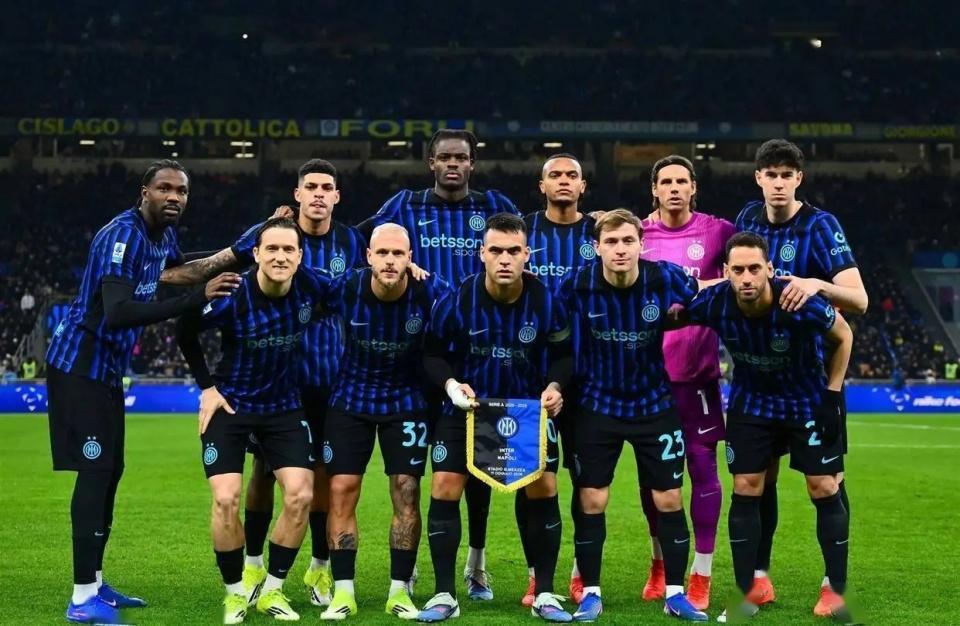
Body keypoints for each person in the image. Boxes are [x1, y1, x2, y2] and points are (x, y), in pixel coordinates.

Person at [162, 159, 366, 607]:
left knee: (318, 479)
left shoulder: (352, 242)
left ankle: (318, 567)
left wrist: (412, 275)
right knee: (261, 473)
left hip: (327, 379)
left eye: (326, 187)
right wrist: (166, 274)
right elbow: (210, 272)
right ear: (297, 194)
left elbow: (362, 290)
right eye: (310, 186)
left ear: (336, 196)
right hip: (270, 382)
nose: (318, 194)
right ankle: (252, 563)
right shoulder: (262, 241)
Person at [46, 159, 239, 624]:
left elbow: (186, 271)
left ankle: (95, 582)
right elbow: (118, 312)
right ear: (144, 192)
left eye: (182, 191)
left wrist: (244, 249)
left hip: (106, 370)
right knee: (95, 472)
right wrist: (195, 299)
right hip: (79, 366)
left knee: (111, 471)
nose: (174, 197)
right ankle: (81, 598)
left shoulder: (162, 236)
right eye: (165, 188)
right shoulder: (123, 236)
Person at [359, 129, 521, 600]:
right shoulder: (403, 206)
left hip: (478, 356)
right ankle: (407, 568)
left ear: (473, 163)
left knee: (480, 469)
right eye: (445, 157)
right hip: (417, 354)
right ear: (431, 162)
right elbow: (363, 241)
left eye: (461, 157)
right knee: (413, 472)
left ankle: (477, 563)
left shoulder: (494, 204)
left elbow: (528, 237)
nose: (453, 164)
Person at [684, 232, 855, 623]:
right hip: (752, 402)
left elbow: (844, 335)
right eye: (738, 270)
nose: (747, 278)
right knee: (747, 486)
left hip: (805, 398)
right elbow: (673, 311)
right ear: (726, 272)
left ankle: (836, 589)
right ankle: (747, 594)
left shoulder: (797, 300)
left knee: (824, 486)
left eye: (754, 268)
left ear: (770, 269)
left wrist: (832, 395)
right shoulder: (715, 302)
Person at [416, 213, 573, 623]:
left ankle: (545, 593)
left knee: (544, 487)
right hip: (470, 408)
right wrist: (451, 385)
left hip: (525, 409)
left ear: (527, 254)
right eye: (497, 251)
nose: (505, 259)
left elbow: (564, 355)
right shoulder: (457, 300)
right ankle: (444, 594)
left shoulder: (546, 300)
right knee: (445, 485)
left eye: (513, 251)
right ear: (482, 253)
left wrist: (555, 386)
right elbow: (432, 354)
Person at [736, 139, 867, 613]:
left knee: (825, 483)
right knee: (759, 480)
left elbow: (859, 300)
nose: (778, 183)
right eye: (770, 174)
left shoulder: (820, 225)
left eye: (786, 175)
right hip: (759, 381)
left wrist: (816, 284)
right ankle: (759, 579)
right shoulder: (747, 220)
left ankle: (835, 586)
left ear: (799, 179)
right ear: (758, 178)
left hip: (813, 379)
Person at [176, 218, 329, 624]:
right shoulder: (232, 295)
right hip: (231, 405)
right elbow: (185, 329)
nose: (280, 256)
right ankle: (235, 594)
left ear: (300, 256)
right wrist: (207, 387)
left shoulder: (312, 287)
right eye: (271, 249)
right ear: (257, 254)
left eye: (288, 249)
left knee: (300, 495)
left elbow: (361, 288)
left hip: (284, 408)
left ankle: (272, 590)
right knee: (226, 498)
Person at [560, 209, 707, 622]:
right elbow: (550, 325)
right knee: (591, 498)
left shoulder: (664, 277)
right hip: (596, 405)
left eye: (628, 241)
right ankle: (590, 592)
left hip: (653, 404)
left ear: (642, 245)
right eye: (611, 242)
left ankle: (675, 593)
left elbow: (703, 298)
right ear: (596, 248)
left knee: (669, 497)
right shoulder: (577, 283)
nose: (620, 249)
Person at [315, 224, 450, 620]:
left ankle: (399, 591)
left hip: (406, 401)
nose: (390, 261)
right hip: (350, 399)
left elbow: (466, 313)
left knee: (406, 491)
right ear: (368, 257)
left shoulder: (430, 290)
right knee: (341, 489)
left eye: (398, 254)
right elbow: (300, 293)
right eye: (383, 253)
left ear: (411, 258)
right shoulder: (346, 287)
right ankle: (343, 591)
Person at [636, 155, 736, 610]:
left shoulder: (719, 231)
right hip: (648, 377)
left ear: (693, 187)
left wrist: (693, 292)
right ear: (654, 190)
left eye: (681, 181)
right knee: (653, 479)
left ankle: (702, 573)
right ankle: (659, 564)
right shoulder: (638, 235)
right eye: (666, 182)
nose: (674, 188)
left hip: (698, 377)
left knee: (703, 471)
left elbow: (744, 273)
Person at [518, 153, 596, 606]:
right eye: (555, 175)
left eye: (572, 175)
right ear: (541, 185)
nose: (563, 181)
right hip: (529, 381)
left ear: (583, 186)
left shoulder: (599, 232)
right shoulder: (523, 233)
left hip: (587, 381)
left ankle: (580, 574)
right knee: (530, 480)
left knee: (587, 484)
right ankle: (535, 575)